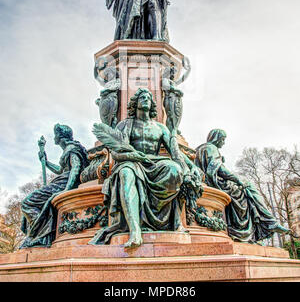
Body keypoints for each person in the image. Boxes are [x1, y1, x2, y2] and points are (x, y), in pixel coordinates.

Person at [89, 88, 201, 249]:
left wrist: (191, 167)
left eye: (148, 97)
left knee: (175, 169)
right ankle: (135, 230)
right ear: (135, 103)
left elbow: (176, 153)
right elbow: (117, 154)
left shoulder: (161, 128)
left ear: (153, 104)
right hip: (131, 162)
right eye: (142, 97)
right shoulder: (125, 125)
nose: (146, 99)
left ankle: (168, 220)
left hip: (154, 163)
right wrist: (135, 156)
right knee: (126, 173)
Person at [195, 129, 290, 243]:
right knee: (246, 189)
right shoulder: (211, 148)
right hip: (215, 183)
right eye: (223, 139)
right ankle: (263, 224)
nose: (223, 143)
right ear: (217, 138)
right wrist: (237, 180)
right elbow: (219, 170)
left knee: (248, 189)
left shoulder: (201, 149)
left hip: (208, 181)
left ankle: (268, 223)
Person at [20, 124, 89, 248]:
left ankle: (40, 234)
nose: (54, 137)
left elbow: (75, 168)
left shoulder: (72, 148)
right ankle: (40, 233)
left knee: (27, 202)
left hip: (63, 184)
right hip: (61, 182)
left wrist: (66, 190)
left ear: (61, 136)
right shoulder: (68, 149)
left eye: (55, 134)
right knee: (29, 203)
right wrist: (46, 162)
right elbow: (60, 170)